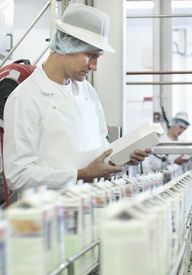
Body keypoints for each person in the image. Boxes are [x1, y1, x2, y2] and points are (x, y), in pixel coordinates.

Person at [3, 4, 150, 194]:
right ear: (67, 45)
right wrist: (80, 174)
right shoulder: (25, 98)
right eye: (91, 56)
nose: (95, 66)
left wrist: (121, 159)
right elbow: (19, 175)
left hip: (87, 207)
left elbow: (101, 148)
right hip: (47, 217)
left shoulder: (87, 92)